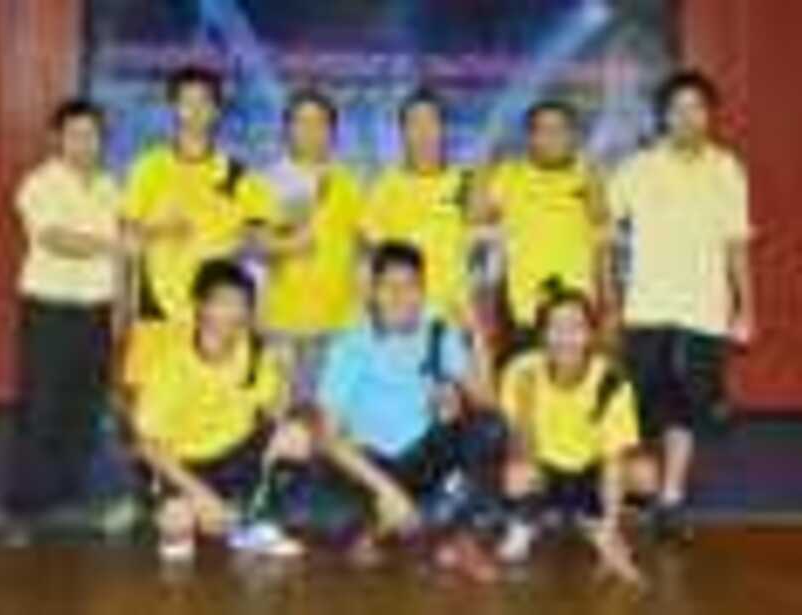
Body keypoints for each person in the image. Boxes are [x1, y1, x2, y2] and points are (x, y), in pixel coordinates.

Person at [609, 71, 753, 541]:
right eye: (678, 108)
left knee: (685, 413)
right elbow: (603, 227)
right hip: (646, 309)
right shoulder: (637, 167)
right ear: (663, 116)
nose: (688, 116)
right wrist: (609, 297)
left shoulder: (727, 168)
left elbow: (737, 243)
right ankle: (634, 491)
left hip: (704, 311)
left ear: (709, 115)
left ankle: (671, 500)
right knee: (641, 411)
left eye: (697, 107)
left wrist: (746, 308)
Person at [317, 242, 508, 583]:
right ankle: (411, 521)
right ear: (373, 291)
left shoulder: (438, 333)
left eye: (410, 286)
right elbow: (327, 438)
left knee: (491, 428)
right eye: (390, 286)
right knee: (324, 514)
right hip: (372, 465)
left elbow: (487, 402)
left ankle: (455, 535)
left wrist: (477, 334)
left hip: (421, 459)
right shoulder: (349, 345)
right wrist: (387, 491)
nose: (400, 297)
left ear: (422, 291)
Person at [122, 260, 310, 559]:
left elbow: (273, 417)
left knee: (296, 437)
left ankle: (253, 523)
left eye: (241, 305)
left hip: (231, 455)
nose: (232, 313)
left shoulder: (257, 352)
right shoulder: (170, 363)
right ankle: (193, 519)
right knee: (177, 522)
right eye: (222, 302)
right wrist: (202, 496)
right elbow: (146, 446)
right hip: (181, 462)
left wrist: (286, 376)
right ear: (200, 306)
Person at [10, 100, 123, 530]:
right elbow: (55, 239)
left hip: (97, 311)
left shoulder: (111, 186)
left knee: (85, 407)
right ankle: (27, 504)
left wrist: (120, 310)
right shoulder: (39, 184)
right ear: (57, 139)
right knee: (43, 406)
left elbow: (122, 258)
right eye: (75, 134)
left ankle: (69, 495)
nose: (85, 143)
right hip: (50, 310)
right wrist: (112, 246)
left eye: (93, 135)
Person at [499, 283, 656, 586]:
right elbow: (518, 445)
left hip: (590, 469)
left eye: (576, 327)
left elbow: (613, 458)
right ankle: (527, 520)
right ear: (542, 334)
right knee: (516, 477)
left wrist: (609, 531)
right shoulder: (521, 371)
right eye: (556, 327)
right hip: (544, 465)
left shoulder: (611, 381)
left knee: (646, 474)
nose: (566, 337)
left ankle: (594, 517)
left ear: (590, 335)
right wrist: (527, 403)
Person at [122, 66, 274, 322]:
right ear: (173, 108)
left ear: (216, 111)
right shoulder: (148, 168)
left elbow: (260, 241)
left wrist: (241, 242)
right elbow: (126, 241)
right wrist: (158, 230)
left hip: (218, 314)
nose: (195, 111)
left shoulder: (239, 175)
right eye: (186, 102)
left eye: (203, 102)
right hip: (156, 307)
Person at [253, 89, 364, 404]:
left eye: (320, 122)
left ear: (332, 132)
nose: (311, 130)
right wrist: (287, 244)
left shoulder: (350, 183)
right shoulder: (266, 182)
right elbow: (252, 244)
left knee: (327, 417)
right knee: (281, 415)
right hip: (283, 324)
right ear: (286, 129)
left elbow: (361, 250)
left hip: (338, 325)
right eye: (301, 122)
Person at [477, 101, 612, 353]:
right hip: (527, 312)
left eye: (560, 129)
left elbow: (602, 228)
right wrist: (487, 161)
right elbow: (476, 219)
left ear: (573, 136)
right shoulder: (509, 175)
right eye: (544, 130)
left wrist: (593, 181)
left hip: (578, 315)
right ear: (530, 137)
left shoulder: (587, 175)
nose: (552, 137)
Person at [363, 88, 472, 324]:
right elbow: (374, 255)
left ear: (443, 130)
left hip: (453, 318)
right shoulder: (383, 187)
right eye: (415, 123)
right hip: (402, 319)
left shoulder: (466, 182)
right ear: (402, 133)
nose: (424, 132)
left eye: (431, 122)